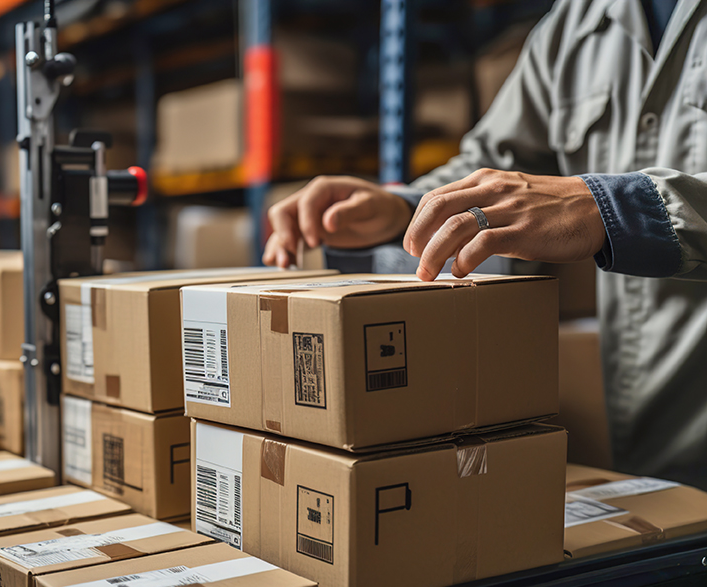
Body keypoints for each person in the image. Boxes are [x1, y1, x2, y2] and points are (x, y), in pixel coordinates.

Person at [264, 0, 707, 482]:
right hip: (655, 442)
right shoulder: (576, 23)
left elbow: (592, 202)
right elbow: (495, 160)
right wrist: (406, 208)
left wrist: (614, 207)